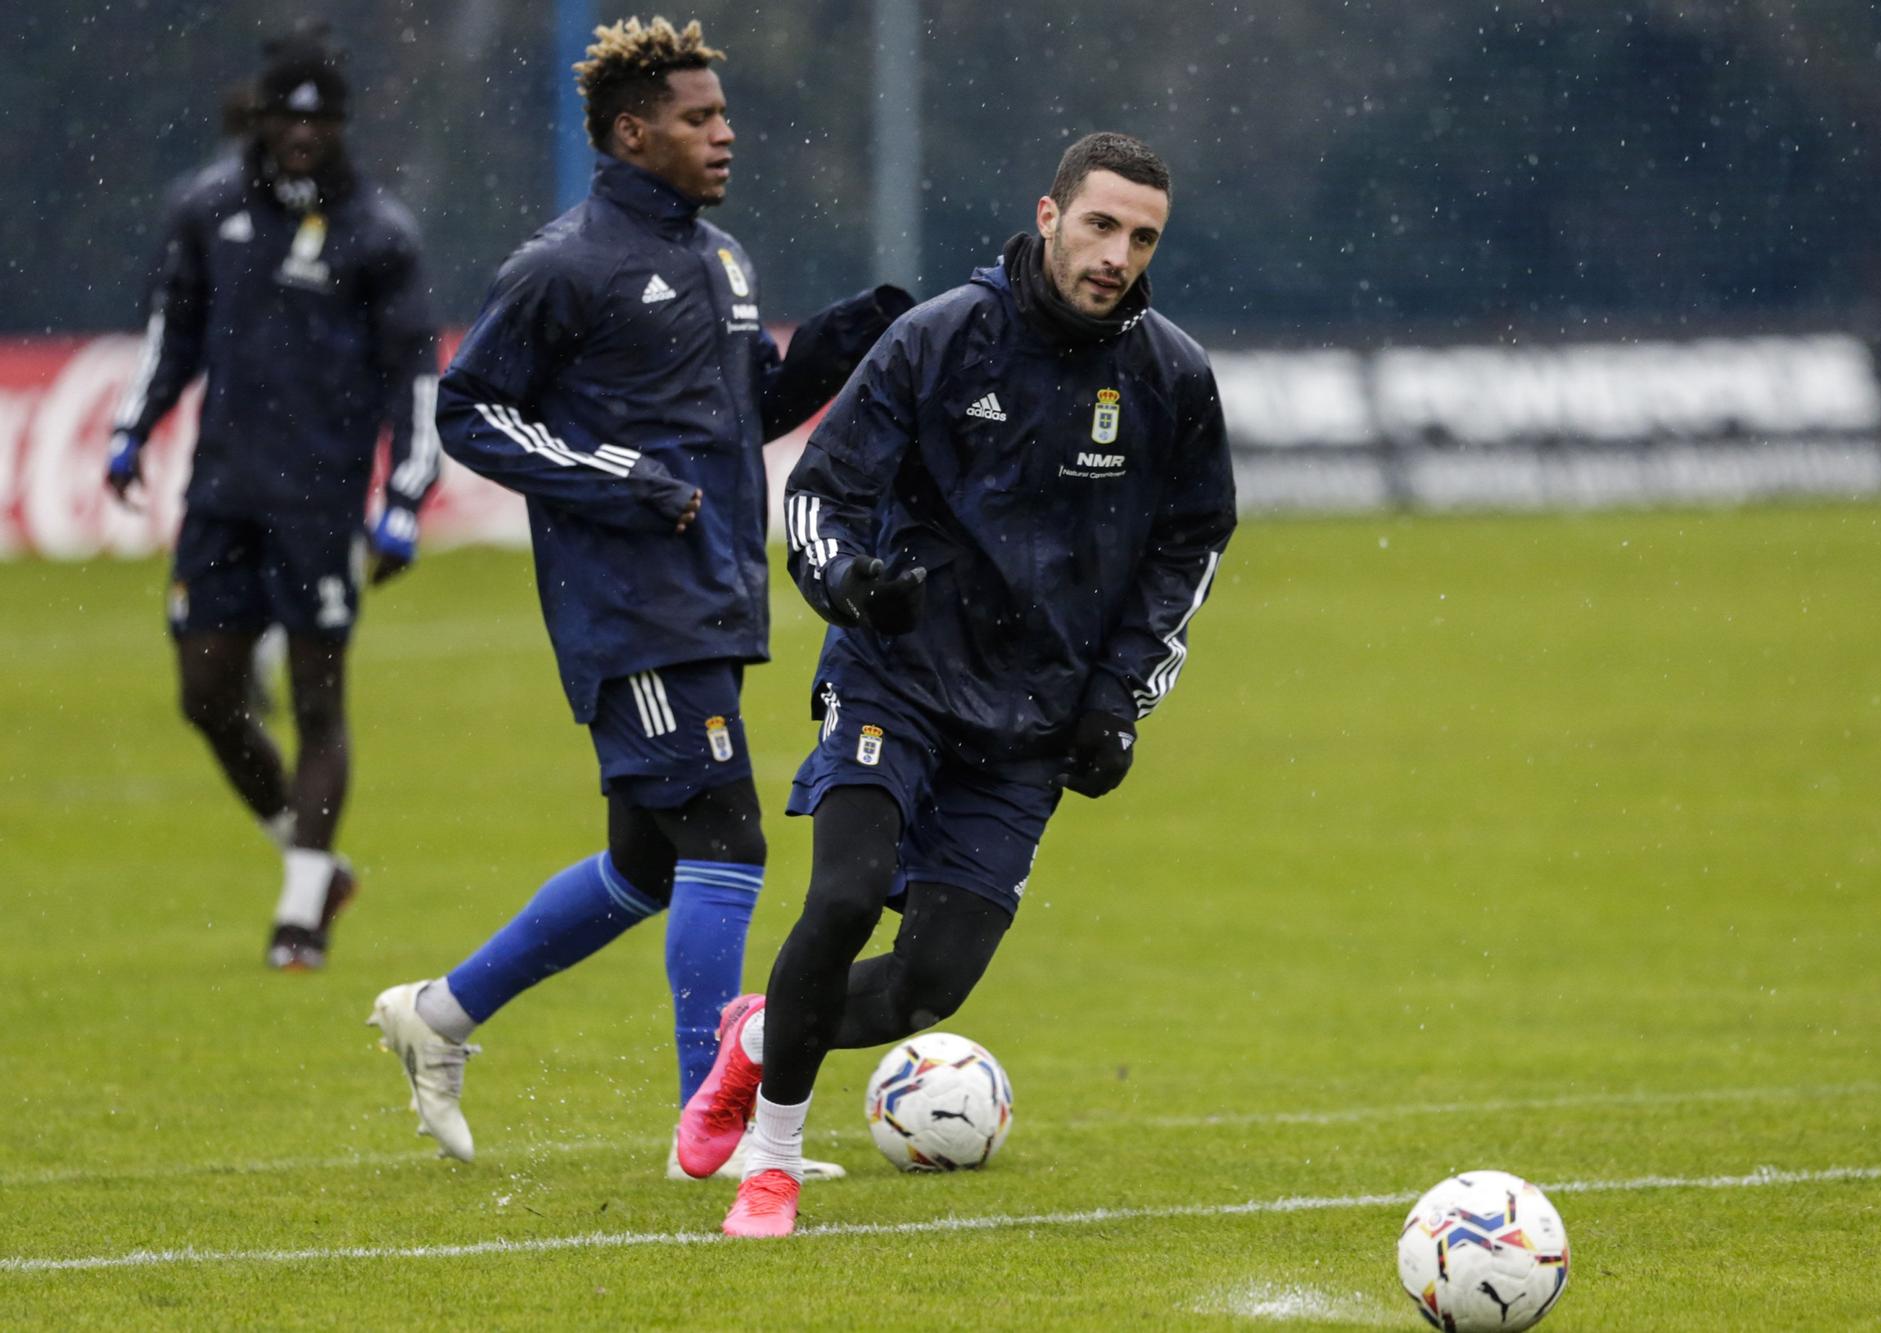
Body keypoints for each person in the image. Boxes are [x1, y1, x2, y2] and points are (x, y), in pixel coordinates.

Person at [366, 17, 908, 1177]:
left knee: (648, 868)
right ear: (631, 132)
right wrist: (618, 476)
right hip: (630, 602)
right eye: (698, 117)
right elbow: (473, 409)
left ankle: (440, 1015)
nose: (724, 133)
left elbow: (739, 414)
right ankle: (701, 1127)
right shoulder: (565, 265)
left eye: (721, 113)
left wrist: (843, 344)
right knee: (729, 843)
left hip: (706, 592)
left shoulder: (719, 258)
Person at [672, 131, 1237, 1237]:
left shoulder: (1170, 377)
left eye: (1141, 236)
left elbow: (1191, 548)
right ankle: (772, 1165)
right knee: (841, 893)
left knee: (929, 986)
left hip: (1033, 720)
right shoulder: (938, 340)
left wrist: (1118, 699)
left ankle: (753, 1036)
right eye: (1098, 224)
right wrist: (849, 586)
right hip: (898, 679)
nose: (1116, 253)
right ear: (1047, 213)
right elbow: (817, 497)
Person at [107, 22, 439, 971]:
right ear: (258, 120)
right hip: (221, 491)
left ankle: (299, 917)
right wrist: (133, 427)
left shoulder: (381, 234)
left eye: (320, 122)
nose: (301, 137)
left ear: (340, 127)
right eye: (286, 122)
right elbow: (173, 331)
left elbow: (415, 372)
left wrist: (406, 493)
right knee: (205, 694)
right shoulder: (207, 211)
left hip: (320, 504)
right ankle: (314, 859)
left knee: (318, 700)